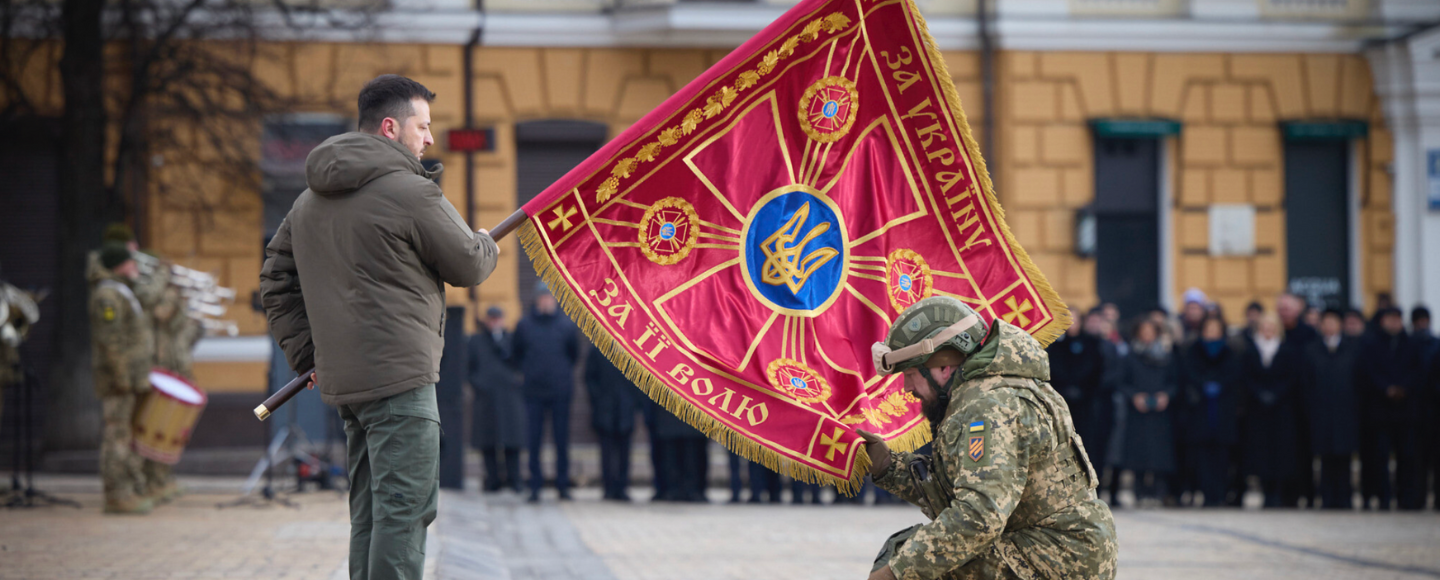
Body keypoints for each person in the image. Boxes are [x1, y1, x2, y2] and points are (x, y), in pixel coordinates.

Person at [260, 74, 499, 580]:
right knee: (405, 514)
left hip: (348, 386)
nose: (429, 138)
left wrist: (308, 356)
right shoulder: (410, 192)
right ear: (391, 127)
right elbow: (469, 266)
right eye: (423, 126)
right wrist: (484, 241)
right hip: (402, 384)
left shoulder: (307, 201)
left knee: (370, 516)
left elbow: (276, 280)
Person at [860, 297, 1117, 580]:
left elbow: (979, 517)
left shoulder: (987, 406)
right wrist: (886, 465)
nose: (908, 388)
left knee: (909, 559)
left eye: (910, 374)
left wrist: (896, 573)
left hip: (1059, 557)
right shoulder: (987, 390)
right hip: (1059, 549)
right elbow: (955, 489)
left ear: (943, 366)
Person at [90, 243, 155, 515]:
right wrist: (122, 377)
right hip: (119, 381)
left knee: (123, 435)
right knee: (116, 436)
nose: (135, 267)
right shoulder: (108, 295)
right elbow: (111, 341)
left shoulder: (121, 290)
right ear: (119, 265)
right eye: (130, 263)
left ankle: (126, 490)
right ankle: (116, 494)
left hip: (130, 377)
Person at [512, 283, 580, 502]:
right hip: (534, 392)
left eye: (550, 297)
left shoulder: (566, 325)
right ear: (536, 300)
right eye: (542, 297)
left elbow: (574, 355)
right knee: (534, 441)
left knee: (562, 440)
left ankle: (562, 485)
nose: (546, 301)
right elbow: (517, 354)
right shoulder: (524, 326)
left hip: (560, 392)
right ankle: (535, 486)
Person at [1356, 307, 1423, 510]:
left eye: (1397, 319)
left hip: (1405, 410)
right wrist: (1387, 388)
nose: (1394, 323)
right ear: (1383, 321)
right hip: (1381, 410)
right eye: (1390, 319)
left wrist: (1403, 388)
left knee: (1407, 457)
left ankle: (1406, 498)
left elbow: (1418, 371)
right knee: (1380, 457)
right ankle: (1384, 497)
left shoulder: (1411, 343)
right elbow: (1369, 371)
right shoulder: (1372, 344)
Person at [145, 274, 203, 503]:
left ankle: (163, 479)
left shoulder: (174, 315)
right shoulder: (156, 303)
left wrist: (195, 324)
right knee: (157, 427)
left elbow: (183, 340)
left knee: (171, 430)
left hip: (177, 369)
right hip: (162, 369)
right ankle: (153, 481)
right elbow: (162, 315)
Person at [1178, 314, 1241, 507]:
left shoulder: (1231, 352)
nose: (1212, 332)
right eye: (1209, 328)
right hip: (1200, 410)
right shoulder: (1193, 351)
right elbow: (1188, 375)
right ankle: (1205, 493)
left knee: (1223, 455)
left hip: (1223, 410)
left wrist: (1219, 386)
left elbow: (1235, 377)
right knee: (1202, 455)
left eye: (1216, 328)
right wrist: (1203, 386)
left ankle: (1220, 493)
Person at [1240, 314, 1303, 508]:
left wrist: (1276, 394)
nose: (1268, 331)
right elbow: (1247, 378)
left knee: (1281, 452)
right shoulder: (1251, 352)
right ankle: (1266, 491)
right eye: (1264, 327)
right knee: (1261, 453)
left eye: (1271, 327)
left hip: (1281, 410)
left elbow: (1292, 378)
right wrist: (1260, 394)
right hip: (1258, 410)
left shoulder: (1287, 351)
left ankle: (1278, 493)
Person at [1301, 308, 1360, 509]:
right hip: (1321, 413)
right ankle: (1326, 498)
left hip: (1346, 412)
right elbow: (1306, 384)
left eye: (1333, 322)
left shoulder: (1353, 349)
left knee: (1344, 457)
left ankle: (1345, 498)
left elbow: (1360, 383)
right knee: (1325, 457)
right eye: (1325, 322)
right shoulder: (1311, 350)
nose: (1329, 326)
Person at [1116, 319, 1177, 506]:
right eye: (1144, 331)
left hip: (1160, 413)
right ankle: (1140, 492)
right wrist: (1134, 396)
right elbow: (1122, 382)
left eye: (1151, 331)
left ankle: (1158, 492)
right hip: (1138, 412)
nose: (1147, 335)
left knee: (1160, 454)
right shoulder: (1131, 356)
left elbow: (1175, 381)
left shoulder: (1166, 356)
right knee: (1138, 453)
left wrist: (1166, 395)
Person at [468, 306, 524, 493]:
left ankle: (514, 480)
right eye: (491, 319)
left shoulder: (512, 340)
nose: (494, 323)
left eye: (497, 319)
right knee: (488, 442)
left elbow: (520, 362)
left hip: (509, 399)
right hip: (486, 399)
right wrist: (480, 384)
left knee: (512, 441)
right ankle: (493, 481)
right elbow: (469, 368)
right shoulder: (476, 341)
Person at [585, 344, 639, 501]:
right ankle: (608, 487)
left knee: (624, 451)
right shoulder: (597, 349)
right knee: (607, 452)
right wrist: (598, 400)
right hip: (605, 408)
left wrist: (633, 403)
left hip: (625, 408)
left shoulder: (632, 349)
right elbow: (589, 378)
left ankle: (622, 487)